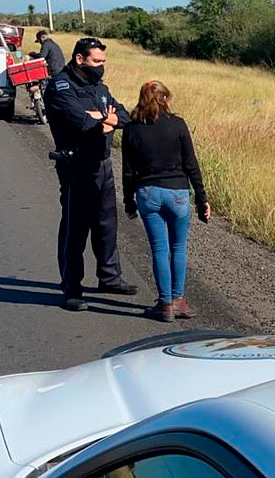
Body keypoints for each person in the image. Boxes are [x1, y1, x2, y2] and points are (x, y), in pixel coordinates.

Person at [45, 37, 138, 311]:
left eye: (103, 62)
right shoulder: (61, 86)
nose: (101, 67)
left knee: (106, 224)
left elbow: (124, 116)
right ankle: (72, 287)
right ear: (80, 59)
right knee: (76, 228)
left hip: (102, 163)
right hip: (76, 166)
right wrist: (102, 119)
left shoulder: (99, 87)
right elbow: (80, 121)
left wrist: (103, 119)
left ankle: (109, 277)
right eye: (97, 61)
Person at [121, 80, 210, 321]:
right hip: (177, 193)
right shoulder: (178, 125)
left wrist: (128, 201)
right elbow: (191, 165)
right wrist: (202, 200)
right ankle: (179, 299)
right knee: (178, 248)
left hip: (148, 193)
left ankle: (165, 304)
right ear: (165, 99)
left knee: (159, 249)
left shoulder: (131, 128)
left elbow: (128, 171)